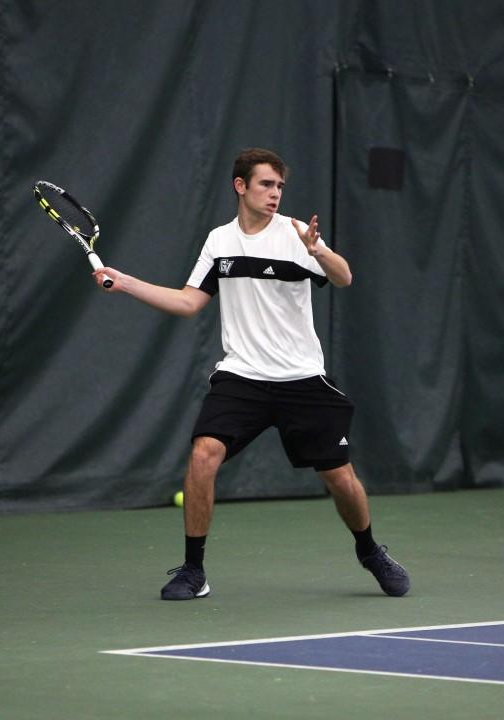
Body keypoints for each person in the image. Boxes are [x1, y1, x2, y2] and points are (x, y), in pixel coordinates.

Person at [92, 148, 410, 600]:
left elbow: (344, 278)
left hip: (301, 377)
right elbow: (188, 303)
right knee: (204, 454)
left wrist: (317, 249)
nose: (275, 193)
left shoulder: (297, 234)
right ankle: (193, 570)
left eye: (280, 186)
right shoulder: (219, 241)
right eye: (266, 184)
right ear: (240, 186)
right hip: (241, 375)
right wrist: (125, 282)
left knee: (340, 477)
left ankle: (370, 550)